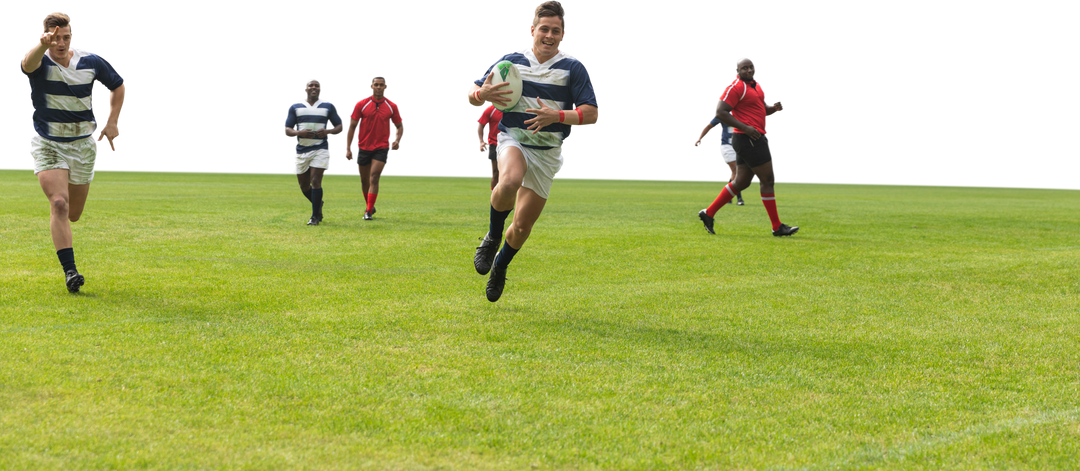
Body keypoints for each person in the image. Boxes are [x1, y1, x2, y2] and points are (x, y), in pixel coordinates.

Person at [464, 0, 601, 302]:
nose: (549, 36)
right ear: (531, 30)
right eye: (544, 29)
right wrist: (482, 93)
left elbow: (593, 115)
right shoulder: (509, 60)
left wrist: (558, 116)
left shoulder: (574, 67)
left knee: (522, 227)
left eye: (556, 31)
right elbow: (470, 95)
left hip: (549, 151)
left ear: (564, 35)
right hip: (513, 137)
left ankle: (500, 266)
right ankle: (491, 236)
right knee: (509, 181)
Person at [19, 9, 127, 293]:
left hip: (83, 144)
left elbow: (118, 85)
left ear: (73, 35)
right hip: (48, 142)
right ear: (45, 37)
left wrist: (113, 121)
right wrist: (42, 44)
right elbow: (27, 66)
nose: (61, 43)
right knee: (58, 203)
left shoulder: (90, 59)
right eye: (55, 38)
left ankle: (65, 234)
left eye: (66, 37)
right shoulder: (37, 57)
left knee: (74, 213)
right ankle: (71, 271)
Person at [697, 55, 797, 237]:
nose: (749, 70)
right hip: (748, 137)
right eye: (744, 68)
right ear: (736, 71)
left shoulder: (757, 83)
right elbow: (719, 111)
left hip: (751, 136)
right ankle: (777, 227)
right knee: (768, 179)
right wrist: (745, 127)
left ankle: (708, 213)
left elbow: (759, 108)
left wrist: (773, 109)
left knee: (741, 182)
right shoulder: (734, 86)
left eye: (752, 67)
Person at [281, 76, 346, 225]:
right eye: (310, 86)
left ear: (322, 89)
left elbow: (341, 126)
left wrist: (328, 131)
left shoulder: (329, 105)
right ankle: (318, 205)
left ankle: (314, 217)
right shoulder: (294, 105)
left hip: (321, 148)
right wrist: (299, 133)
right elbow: (286, 130)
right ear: (304, 89)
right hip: (300, 149)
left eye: (317, 86)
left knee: (316, 181)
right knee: (304, 186)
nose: (314, 88)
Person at [343, 74, 406, 221]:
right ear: (369, 87)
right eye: (375, 84)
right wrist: (347, 148)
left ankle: (368, 211)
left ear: (387, 87)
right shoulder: (360, 104)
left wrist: (397, 140)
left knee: (374, 176)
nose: (378, 87)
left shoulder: (393, 105)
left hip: (382, 147)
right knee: (364, 180)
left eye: (381, 85)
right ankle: (370, 204)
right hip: (363, 146)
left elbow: (400, 126)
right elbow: (351, 126)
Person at [691, 115, 744, 205]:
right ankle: (739, 199)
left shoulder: (743, 111)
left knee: (735, 173)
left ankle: (728, 197)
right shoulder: (723, 112)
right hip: (726, 145)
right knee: (735, 171)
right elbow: (709, 125)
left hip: (740, 146)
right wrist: (699, 139)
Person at [474, 103, 504, 190]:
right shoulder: (491, 108)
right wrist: (480, 141)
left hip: (510, 145)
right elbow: (480, 124)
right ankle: (494, 196)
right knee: (495, 172)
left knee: (507, 173)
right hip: (493, 144)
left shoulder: (514, 108)